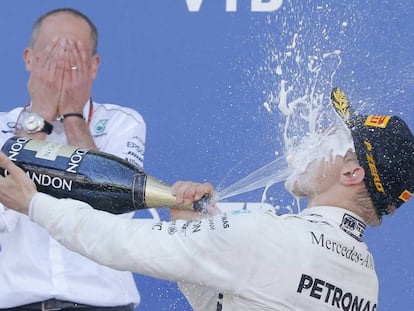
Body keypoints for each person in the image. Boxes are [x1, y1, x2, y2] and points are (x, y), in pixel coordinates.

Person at [0, 87, 413, 311]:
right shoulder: (365, 279)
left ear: (352, 173)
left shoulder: (267, 238)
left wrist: (32, 202)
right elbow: (238, 295)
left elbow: (121, 244)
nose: (316, 139)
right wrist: (192, 225)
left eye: (333, 138)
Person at [0, 8, 148, 310]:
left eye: (74, 59)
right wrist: (38, 118)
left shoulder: (124, 123)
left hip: (103, 304)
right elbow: (4, 212)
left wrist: (73, 116)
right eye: (52, 55)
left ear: (93, 67)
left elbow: (111, 207)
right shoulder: (3, 126)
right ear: (29, 59)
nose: (62, 67)